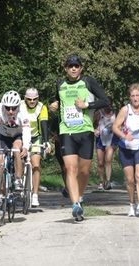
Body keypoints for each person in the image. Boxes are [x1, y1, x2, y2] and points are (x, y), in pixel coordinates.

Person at [49, 54, 108, 221]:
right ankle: (75, 204)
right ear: (66, 69)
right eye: (70, 66)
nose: (73, 68)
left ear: (81, 68)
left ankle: (79, 197)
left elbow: (105, 101)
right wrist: (54, 105)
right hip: (66, 131)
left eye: (76, 66)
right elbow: (58, 102)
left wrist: (87, 105)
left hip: (86, 132)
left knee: (84, 171)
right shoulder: (60, 84)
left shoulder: (88, 82)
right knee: (70, 168)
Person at [112, 83, 139, 217]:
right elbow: (115, 127)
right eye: (133, 96)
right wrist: (124, 136)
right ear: (129, 98)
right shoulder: (125, 110)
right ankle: (132, 205)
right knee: (130, 179)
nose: (135, 98)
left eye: (137, 95)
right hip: (126, 147)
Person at [0, 90, 31, 206]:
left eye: (13, 108)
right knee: (1, 162)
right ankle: (0, 195)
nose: (10, 111)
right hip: (2, 136)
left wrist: (26, 147)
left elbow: (27, 131)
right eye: (7, 108)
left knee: (16, 148)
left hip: (17, 135)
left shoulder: (23, 111)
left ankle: (18, 179)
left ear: (18, 106)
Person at [20, 88, 51, 207]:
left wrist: (46, 141)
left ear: (38, 98)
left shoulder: (42, 107)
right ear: (25, 98)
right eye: (29, 99)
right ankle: (20, 181)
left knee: (36, 164)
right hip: (22, 135)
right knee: (20, 159)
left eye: (35, 99)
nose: (32, 101)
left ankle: (35, 195)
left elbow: (44, 124)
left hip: (35, 137)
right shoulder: (20, 105)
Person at [93, 97, 119, 191]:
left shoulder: (116, 113)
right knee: (100, 162)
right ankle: (101, 182)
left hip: (111, 139)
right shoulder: (98, 113)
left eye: (109, 104)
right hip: (100, 139)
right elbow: (92, 125)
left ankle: (108, 181)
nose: (108, 106)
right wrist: (94, 130)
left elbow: (120, 125)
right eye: (106, 104)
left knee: (108, 160)